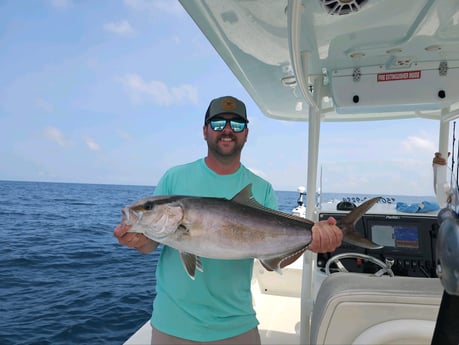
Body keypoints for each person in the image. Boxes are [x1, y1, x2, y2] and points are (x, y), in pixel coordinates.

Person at [114, 96, 343, 345]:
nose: (226, 130)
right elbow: (148, 245)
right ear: (204, 131)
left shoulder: (261, 188)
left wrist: (310, 241)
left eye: (236, 125)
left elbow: (271, 261)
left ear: (245, 134)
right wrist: (135, 239)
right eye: (217, 123)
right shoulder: (174, 177)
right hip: (173, 324)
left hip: (237, 325)